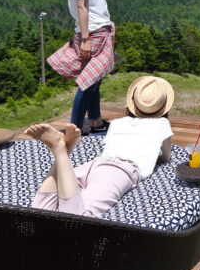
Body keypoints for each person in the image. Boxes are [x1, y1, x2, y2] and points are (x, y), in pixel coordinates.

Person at [28, 75, 175, 217]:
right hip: (119, 171)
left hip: (96, 164)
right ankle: (61, 151)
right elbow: (166, 156)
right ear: (163, 109)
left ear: (132, 103)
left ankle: (64, 152)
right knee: (75, 218)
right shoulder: (162, 124)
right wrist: (152, 156)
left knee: (40, 212)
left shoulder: (118, 123)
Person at [47, 0, 114, 133]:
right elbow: (81, 6)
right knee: (88, 83)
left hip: (98, 31)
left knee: (94, 80)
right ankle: (74, 129)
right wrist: (85, 39)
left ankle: (95, 120)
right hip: (93, 33)